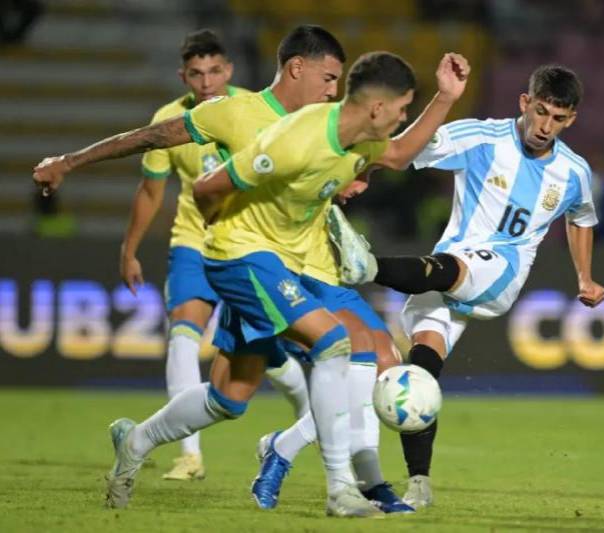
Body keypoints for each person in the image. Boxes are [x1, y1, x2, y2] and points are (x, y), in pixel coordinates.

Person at [34, 48, 469, 515]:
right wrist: (231, 236)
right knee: (336, 345)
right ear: (379, 107)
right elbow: (206, 188)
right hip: (245, 257)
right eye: (403, 108)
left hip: (299, 264)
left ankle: (135, 442)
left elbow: (401, 154)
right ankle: (344, 487)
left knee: (230, 396)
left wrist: (444, 98)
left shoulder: (359, 139)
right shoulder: (296, 139)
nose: (404, 117)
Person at [329, 64, 604, 508]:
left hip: (499, 274)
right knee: (418, 375)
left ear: (571, 120)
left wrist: (585, 276)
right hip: (441, 272)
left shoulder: (573, 172)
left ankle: (364, 266)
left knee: (452, 266)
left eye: (558, 119)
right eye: (541, 112)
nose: (545, 126)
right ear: (525, 102)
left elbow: (582, 218)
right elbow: (404, 149)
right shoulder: (480, 137)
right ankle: (419, 484)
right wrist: (366, 172)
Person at [119, 28, 246, 482]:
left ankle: (295, 442)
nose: (207, 82)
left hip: (249, 246)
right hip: (193, 245)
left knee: (279, 358)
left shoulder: (252, 110)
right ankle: (190, 455)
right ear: (183, 76)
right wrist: (129, 249)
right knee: (183, 335)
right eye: (197, 74)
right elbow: (151, 192)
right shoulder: (168, 120)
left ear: (228, 70)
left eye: (215, 71)